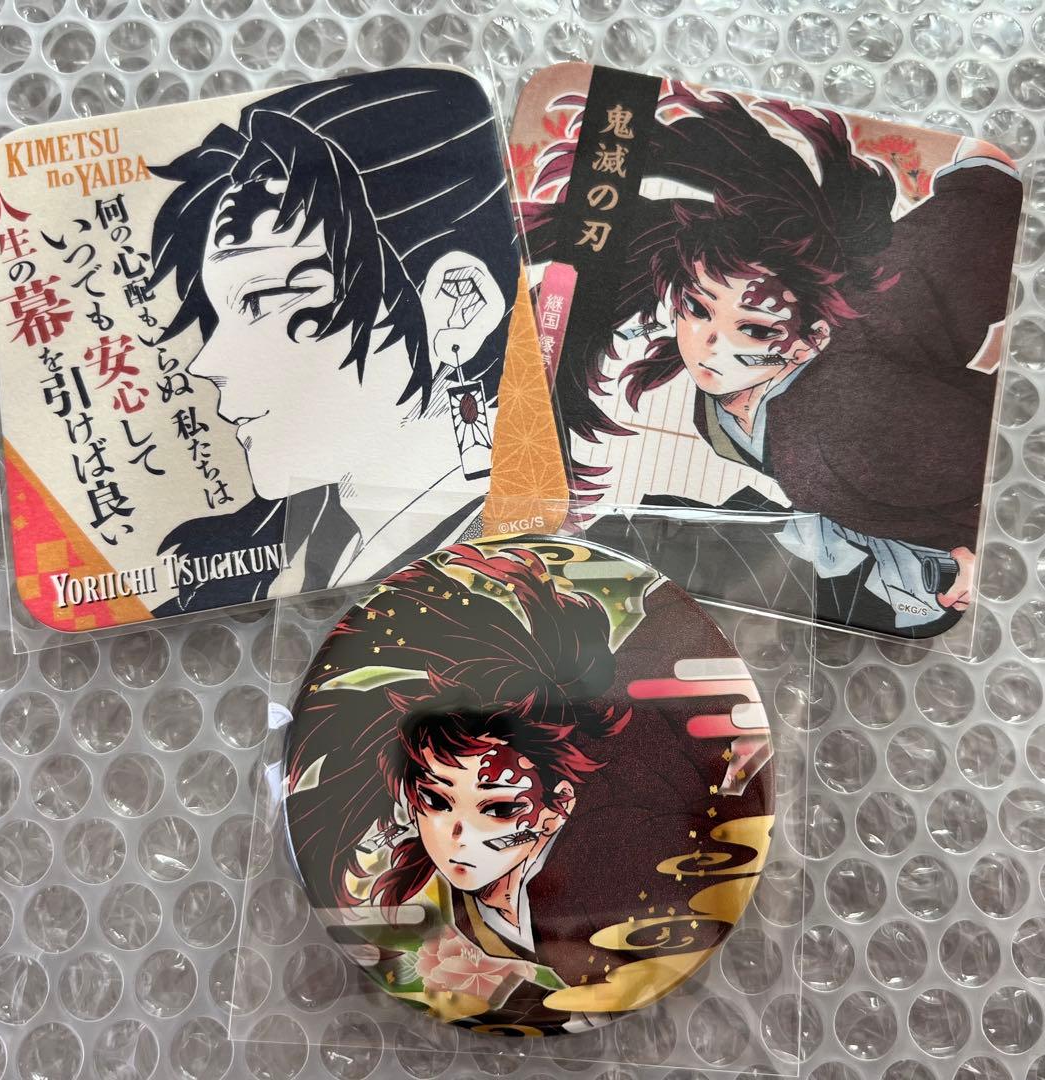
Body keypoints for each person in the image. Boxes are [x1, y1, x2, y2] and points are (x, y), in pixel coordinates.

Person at [522, 84, 1022, 635]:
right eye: (697, 308)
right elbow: (917, 283)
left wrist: (988, 546)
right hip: (879, 535)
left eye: (754, 329)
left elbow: (1002, 462)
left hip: (946, 541)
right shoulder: (721, 409)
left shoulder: (848, 423)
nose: (710, 345)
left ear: (809, 339)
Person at [284, 542, 772, 1032]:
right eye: (435, 799)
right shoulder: (472, 895)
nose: (457, 836)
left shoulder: (611, 869)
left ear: (557, 806)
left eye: (497, 808)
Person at [146, 69, 519, 614]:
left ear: (457, 306)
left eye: (264, 299)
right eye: (218, 314)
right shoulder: (235, 568)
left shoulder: (530, 552)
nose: (207, 361)